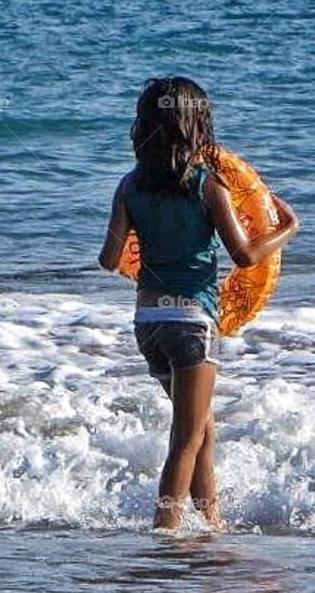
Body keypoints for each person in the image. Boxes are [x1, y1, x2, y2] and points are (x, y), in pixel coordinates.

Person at [98, 77, 299, 529]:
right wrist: (288, 226)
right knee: (187, 436)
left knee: (202, 428)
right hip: (191, 322)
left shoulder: (129, 186)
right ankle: (165, 533)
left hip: (148, 322)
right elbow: (245, 255)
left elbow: (109, 259)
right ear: (199, 126)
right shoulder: (208, 187)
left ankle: (212, 524)